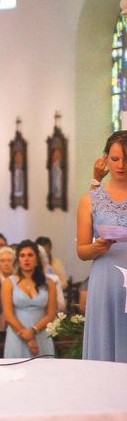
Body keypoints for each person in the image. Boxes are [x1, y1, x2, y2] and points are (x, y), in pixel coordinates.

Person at [78, 130, 127, 362]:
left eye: (126, 159)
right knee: (106, 347)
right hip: (105, 278)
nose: (121, 165)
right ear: (105, 158)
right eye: (115, 158)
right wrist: (97, 247)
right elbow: (82, 251)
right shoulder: (91, 199)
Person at [1, 241, 56, 358]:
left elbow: (51, 314)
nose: (26, 259)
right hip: (17, 335)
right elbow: (8, 315)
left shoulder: (49, 283)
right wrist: (28, 338)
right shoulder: (8, 283)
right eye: (22, 255)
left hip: (41, 334)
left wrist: (33, 330)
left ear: (37, 260)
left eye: (30, 255)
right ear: (18, 260)